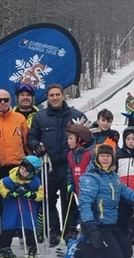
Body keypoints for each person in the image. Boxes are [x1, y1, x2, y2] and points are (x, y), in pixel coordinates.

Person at [66, 142, 134, 258]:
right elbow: (85, 204)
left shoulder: (114, 177)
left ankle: (94, 245)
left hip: (110, 224)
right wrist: (91, 227)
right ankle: (78, 249)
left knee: (127, 254)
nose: (105, 159)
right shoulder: (90, 178)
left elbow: (130, 195)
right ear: (96, 158)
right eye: (102, 156)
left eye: (108, 156)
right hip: (96, 225)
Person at [27, 84, 88, 247]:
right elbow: (31, 137)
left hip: (69, 165)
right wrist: (36, 146)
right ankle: (53, 228)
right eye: (51, 95)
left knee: (69, 197)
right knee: (48, 198)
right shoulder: (39, 117)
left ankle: (70, 228)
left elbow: (88, 137)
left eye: (57, 95)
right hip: (48, 165)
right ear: (47, 97)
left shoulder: (76, 115)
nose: (55, 98)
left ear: (63, 96)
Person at [0, 88, 30, 227]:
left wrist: (29, 159)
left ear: (10, 101)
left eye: (5, 100)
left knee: (21, 196)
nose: (2, 102)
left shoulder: (19, 118)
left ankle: (21, 229)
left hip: (18, 165)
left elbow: (26, 140)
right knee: (1, 197)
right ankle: (3, 229)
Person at [0, 155, 44, 258]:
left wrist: (33, 195)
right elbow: (0, 186)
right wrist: (9, 193)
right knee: (9, 226)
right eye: (22, 168)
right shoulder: (11, 179)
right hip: (12, 208)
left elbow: (41, 193)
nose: (23, 171)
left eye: (26, 171)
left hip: (27, 208)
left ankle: (32, 246)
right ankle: (3, 247)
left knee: (29, 227)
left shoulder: (35, 182)